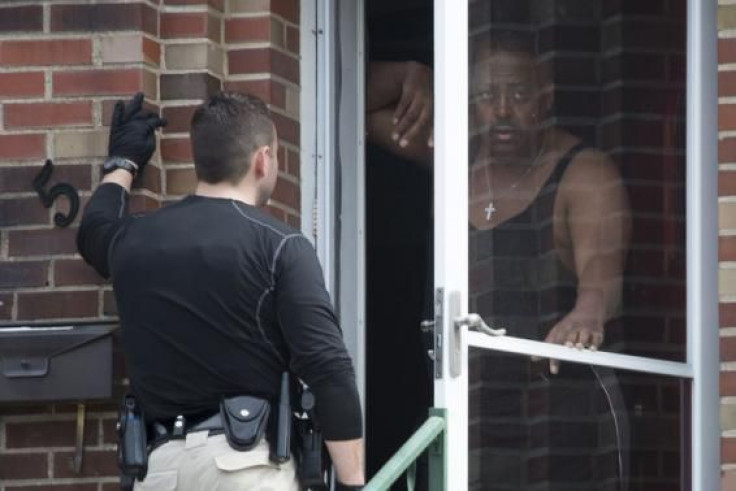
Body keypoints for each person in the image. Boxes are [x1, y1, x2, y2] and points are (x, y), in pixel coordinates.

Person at [368, 28, 631, 490]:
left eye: (518, 93)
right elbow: (348, 102)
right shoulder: (455, 158)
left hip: (555, 416)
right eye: (489, 95)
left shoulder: (583, 172)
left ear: (545, 97)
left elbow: (601, 276)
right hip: (467, 409)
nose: (503, 110)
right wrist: (412, 76)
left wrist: (587, 313)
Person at [77, 92, 365, 490]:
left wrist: (122, 163)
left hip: (158, 471)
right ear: (262, 160)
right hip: (246, 470)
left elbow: (93, 233)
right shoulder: (280, 246)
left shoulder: (132, 241)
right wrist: (354, 483)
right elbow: (329, 369)